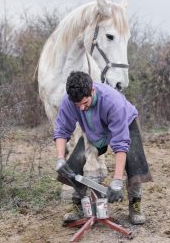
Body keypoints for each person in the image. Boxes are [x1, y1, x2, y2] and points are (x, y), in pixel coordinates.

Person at [54, 71, 153, 225]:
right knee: (78, 158)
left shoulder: (113, 102)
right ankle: (78, 202)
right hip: (94, 130)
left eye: (85, 103)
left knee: (134, 158)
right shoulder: (69, 101)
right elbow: (61, 129)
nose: (81, 108)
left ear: (92, 90)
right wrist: (60, 158)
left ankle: (135, 202)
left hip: (126, 122)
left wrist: (117, 180)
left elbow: (120, 144)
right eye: (77, 105)